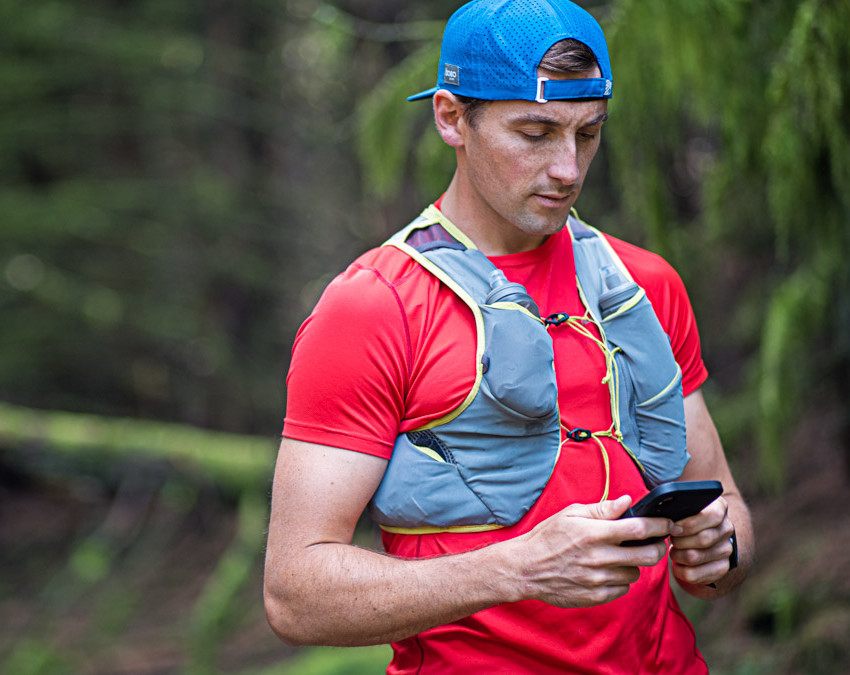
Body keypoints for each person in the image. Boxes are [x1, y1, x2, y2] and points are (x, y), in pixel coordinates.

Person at [262, 0, 755, 672]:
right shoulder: (373, 307)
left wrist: (717, 548)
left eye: (588, 134)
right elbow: (295, 595)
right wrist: (515, 570)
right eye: (535, 132)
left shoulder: (643, 286)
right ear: (450, 117)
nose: (568, 169)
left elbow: (727, 532)